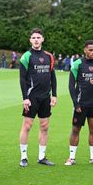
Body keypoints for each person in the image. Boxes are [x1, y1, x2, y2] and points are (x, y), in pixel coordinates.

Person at [19, 28, 57, 167]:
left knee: (44, 126)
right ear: (30, 40)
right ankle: (23, 157)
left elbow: (52, 76)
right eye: (33, 37)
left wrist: (54, 95)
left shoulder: (49, 56)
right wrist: (25, 97)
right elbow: (22, 78)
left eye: (38, 37)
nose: (36, 39)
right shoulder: (26, 56)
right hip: (31, 97)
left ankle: (42, 157)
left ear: (42, 39)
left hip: (45, 97)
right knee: (27, 126)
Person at [65, 40, 93, 166]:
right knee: (75, 129)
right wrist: (75, 104)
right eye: (91, 50)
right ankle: (71, 158)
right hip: (80, 104)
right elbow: (71, 85)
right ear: (85, 50)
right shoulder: (78, 64)